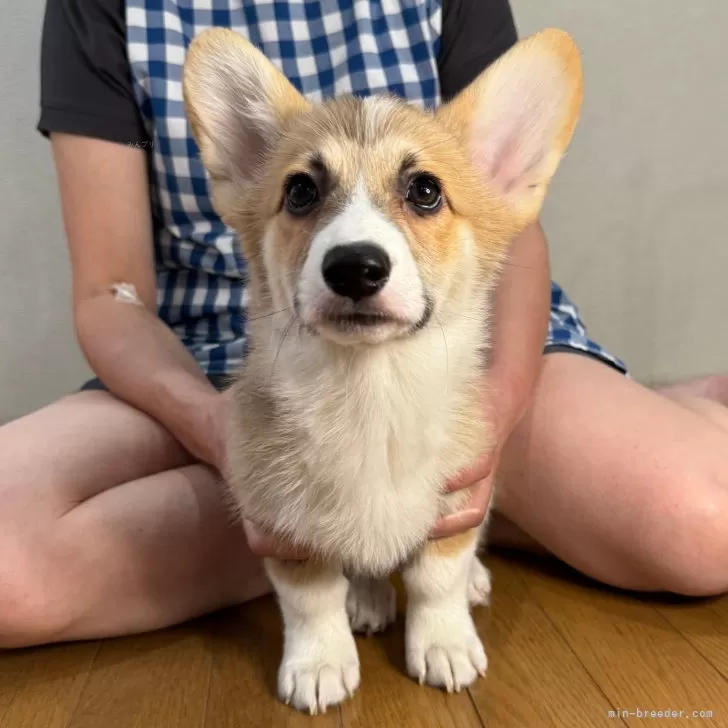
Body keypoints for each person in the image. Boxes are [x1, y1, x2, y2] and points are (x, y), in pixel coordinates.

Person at [1, 0, 727, 650]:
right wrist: (222, 435)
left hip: (453, 352)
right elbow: (109, 292)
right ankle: (393, 532)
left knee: (704, 524)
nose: (353, 244)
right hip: (213, 355)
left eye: (419, 192)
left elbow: (510, 239)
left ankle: (453, 516)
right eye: (304, 193)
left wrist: (495, 414)